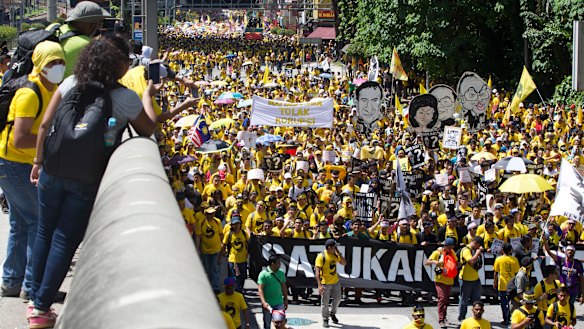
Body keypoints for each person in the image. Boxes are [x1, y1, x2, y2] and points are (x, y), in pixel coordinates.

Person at [28, 34, 161, 327]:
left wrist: (38, 162)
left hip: (52, 169)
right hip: (88, 177)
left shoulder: (71, 83)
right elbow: (148, 129)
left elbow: (46, 124)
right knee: (64, 240)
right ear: (120, 66)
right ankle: (40, 308)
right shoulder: (125, 97)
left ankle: (33, 294)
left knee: (44, 232)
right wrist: (148, 97)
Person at [0, 41, 65, 299]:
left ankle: (12, 282)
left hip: (19, 163)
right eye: (51, 63)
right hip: (13, 163)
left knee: (21, 223)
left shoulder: (53, 88)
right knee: (39, 221)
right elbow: (21, 138)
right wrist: (54, 145)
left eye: (60, 62)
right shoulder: (29, 93)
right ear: (39, 64)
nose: (57, 67)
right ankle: (33, 286)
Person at [50, 1, 111, 78]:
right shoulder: (87, 45)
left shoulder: (54, 28)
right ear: (92, 26)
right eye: (99, 24)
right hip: (65, 87)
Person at [425, 238, 457, 328]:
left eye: (452, 247)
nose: (450, 248)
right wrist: (434, 261)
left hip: (449, 280)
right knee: (442, 298)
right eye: (448, 247)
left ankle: (444, 317)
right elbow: (426, 262)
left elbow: (456, 262)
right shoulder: (437, 253)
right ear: (445, 246)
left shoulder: (452, 253)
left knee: (446, 300)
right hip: (439, 280)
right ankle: (441, 319)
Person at [315, 239, 347, 328]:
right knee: (325, 303)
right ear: (329, 247)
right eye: (335, 247)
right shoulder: (321, 256)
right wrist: (319, 285)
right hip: (325, 283)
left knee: (337, 299)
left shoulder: (334, 255)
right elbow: (317, 271)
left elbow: (344, 263)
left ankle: (332, 313)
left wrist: (339, 254)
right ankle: (325, 319)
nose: (336, 248)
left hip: (335, 282)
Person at [543, 240, 584, 306]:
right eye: (568, 250)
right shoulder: (561, 260)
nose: (570, 251)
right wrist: (544, 240)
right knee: (561, 306)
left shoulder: (578, 263)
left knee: (570, 308)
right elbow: (549, 252)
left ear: (574, 253)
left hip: (573, 289)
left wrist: (582, 295)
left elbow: (582, 279)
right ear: (565, 251)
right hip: (562, 288)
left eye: (572, 251)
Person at [195, 206, 224, 294]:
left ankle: (215, 287)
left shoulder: (217, 221)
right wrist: (197, 249)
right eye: (208, 214)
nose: (210, 215)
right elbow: (198, 237)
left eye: (212, 214)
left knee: (215, 268)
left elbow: (221, 234)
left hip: (216, 249)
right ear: (205, 214)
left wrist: (222, 245)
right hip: (205, 250)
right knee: (207, 269)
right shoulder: (201, 222)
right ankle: (208, 286)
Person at [458, 236, 484, 322]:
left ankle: (476, 317)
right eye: (478, 246)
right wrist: (478, 252)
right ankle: (462, 317)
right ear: (476, 243)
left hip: (475, 279)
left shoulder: (474, 250)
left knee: (476, 300)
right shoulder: (466, 250)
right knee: (464, 300)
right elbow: (471, 261)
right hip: (466, 279)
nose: (478, 248)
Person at [258, 254, 288, 329]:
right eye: (278, 263)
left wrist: (286, 299)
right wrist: (264, 302)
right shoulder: (263, 274)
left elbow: (284, 287)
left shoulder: (281, 273)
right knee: (267, 324)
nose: (280, 264)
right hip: (268, 305)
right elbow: (260, 290)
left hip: (279, 303)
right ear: (272, 264)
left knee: (280, 324)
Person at [493, 242, 520, 325]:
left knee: (504, 303)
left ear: (502, 250)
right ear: (511, 250)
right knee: (513, 302)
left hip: (502, 285)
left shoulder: (498, 259)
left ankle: (506, 319)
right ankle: (511, 317)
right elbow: (517, 273)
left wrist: (495, 282)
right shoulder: (514, 260)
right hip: (512, 285)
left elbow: (496, 272)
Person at [222, 215, 249, 292]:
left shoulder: (244, 233)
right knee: (233, 277)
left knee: (243, 277)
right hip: (232, 259)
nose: (236, 226)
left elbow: (248, 244)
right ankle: (234, 291)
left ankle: (239, 289)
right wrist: (221, 256)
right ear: (232, 225)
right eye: (234, 224)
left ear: (240, 224)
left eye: (238, 224)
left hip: (243, 259)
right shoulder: (229, 234)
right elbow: (224, 245)